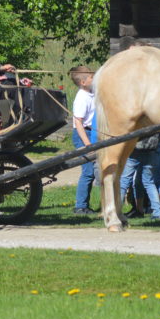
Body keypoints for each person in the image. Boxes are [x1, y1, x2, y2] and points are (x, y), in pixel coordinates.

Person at [70, 65, 96, 215]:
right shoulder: (82, 98)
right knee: (87, 172)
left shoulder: (92, 93)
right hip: (82, 135)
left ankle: (84, 204)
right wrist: (87, 144)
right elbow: (78, 122)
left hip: (91, 133)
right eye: (92, 77)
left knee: (91, 172)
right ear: (83, 82)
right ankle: (80, 206)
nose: (94, 79)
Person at [119, 133, 160, 220]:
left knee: (124, 181)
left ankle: (117, 211)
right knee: (149, 182)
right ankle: (158, 213)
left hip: (135, 149)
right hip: (151, 149)